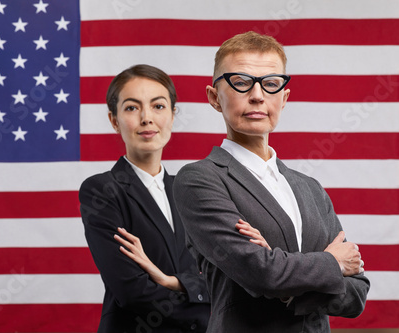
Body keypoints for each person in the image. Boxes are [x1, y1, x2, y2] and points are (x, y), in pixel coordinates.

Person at [173, 31, 370, 332]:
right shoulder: (199, 179)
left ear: (284, 97)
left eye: (271, 84)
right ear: (214, 97)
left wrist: (285, 280)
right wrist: (330, 265)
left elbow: (357, 293)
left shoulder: (311, 188)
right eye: (240, 82)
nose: (257, 95)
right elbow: (260, 273)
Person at [79, 64, 212, 332]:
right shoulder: (102, 190)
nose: (146, 118)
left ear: (173, 115)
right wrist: (207, 313)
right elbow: (132, 291)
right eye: (131, 107)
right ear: (114, 120)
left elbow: (220, 278)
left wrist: (170, 281)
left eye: (158, 106)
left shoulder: (190, 191)